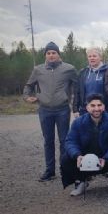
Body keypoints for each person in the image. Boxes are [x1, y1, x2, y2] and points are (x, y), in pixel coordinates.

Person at [24, 41, 78, 181]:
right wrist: (26, 96)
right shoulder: (38, 70)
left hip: (62, 110)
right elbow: (29, 85)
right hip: (45, 110)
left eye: (54, 53)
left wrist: (74, 101)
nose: (51, 55)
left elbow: (78, 85)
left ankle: (65, 169)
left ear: (59, 54)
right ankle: (49, 171)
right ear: (45, 55)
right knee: (48, 141)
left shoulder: (69, 69)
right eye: (48, 53)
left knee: (64, 141)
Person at [61, 93, 108, 196]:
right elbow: (70, 141)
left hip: (105, 159)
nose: (96, 108)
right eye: (93, 105)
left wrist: (106, 158)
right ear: (87, 107)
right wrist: (77, 155)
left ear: (103, 107)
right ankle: (81, 180)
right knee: (66, 158)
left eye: (99, 105)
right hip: (84, 159)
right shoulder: (78, 122)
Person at [74, 47, 108, 116]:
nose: (91, 58)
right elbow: (77, 92)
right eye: (89, 56)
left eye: (94, 56)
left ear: (100, 57)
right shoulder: (83, 72)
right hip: (85, 110)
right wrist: (75, 109)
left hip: (102, 109)